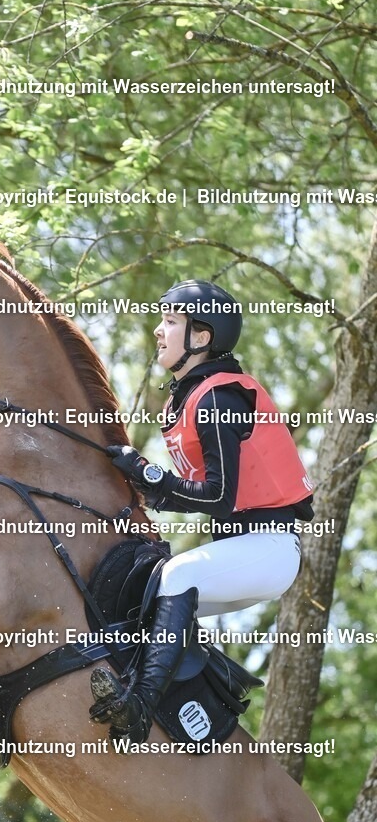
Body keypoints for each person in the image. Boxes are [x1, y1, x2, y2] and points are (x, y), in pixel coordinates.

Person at [90, 279, 314, 745]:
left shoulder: (218, 397)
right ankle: (196, 697)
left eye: (170, 321)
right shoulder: (192, 396)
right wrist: (142, 485)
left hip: (269, 549)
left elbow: (218, 498)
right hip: (243, 550)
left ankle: (138, 709)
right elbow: (189, 496)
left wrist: (149, 475)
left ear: (201, 336)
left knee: (177, 576)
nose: (158, 330)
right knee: (140, 592)